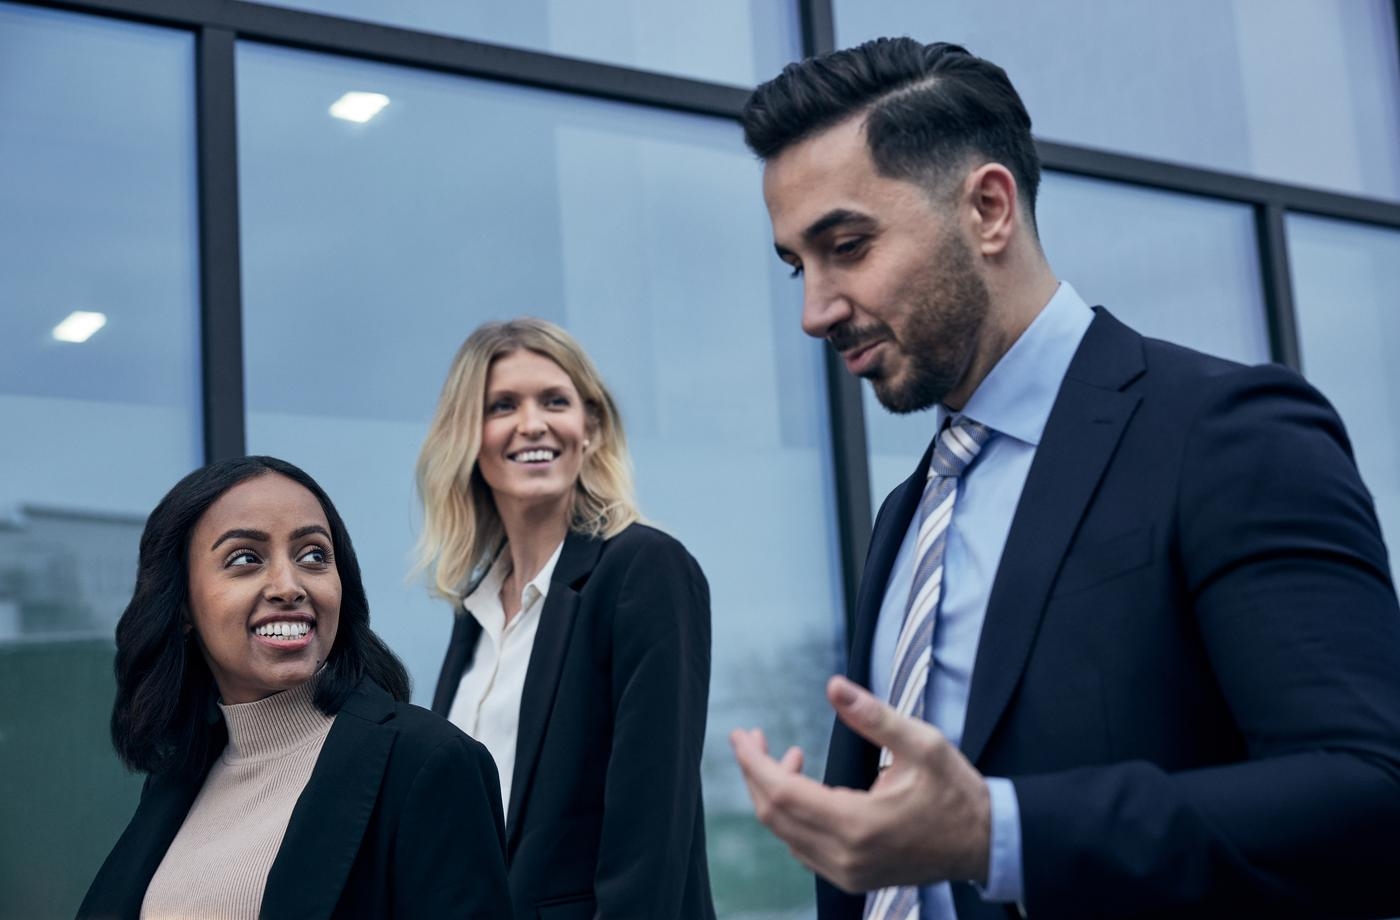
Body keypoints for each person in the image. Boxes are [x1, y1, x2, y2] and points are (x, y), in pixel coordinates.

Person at [728, 37, 1400, 920]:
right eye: (797, 268)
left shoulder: (1225, 434)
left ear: (990, 209)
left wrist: (997, 833)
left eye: (847, 246)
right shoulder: (906, 514)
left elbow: (1370, 799)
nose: (815, 311)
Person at [78, 456, 511, 920]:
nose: (288, 586)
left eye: (313, 556)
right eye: (245, 558)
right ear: (183, 606)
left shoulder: (430, 762)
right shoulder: (178, 779)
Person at [417, 317, 715, 919]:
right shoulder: (472, 614)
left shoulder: (644, 569)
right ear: (468, 437)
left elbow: (650, 833)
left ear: (592, 428)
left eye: (555, 401)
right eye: (502, 405)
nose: (533, 423)